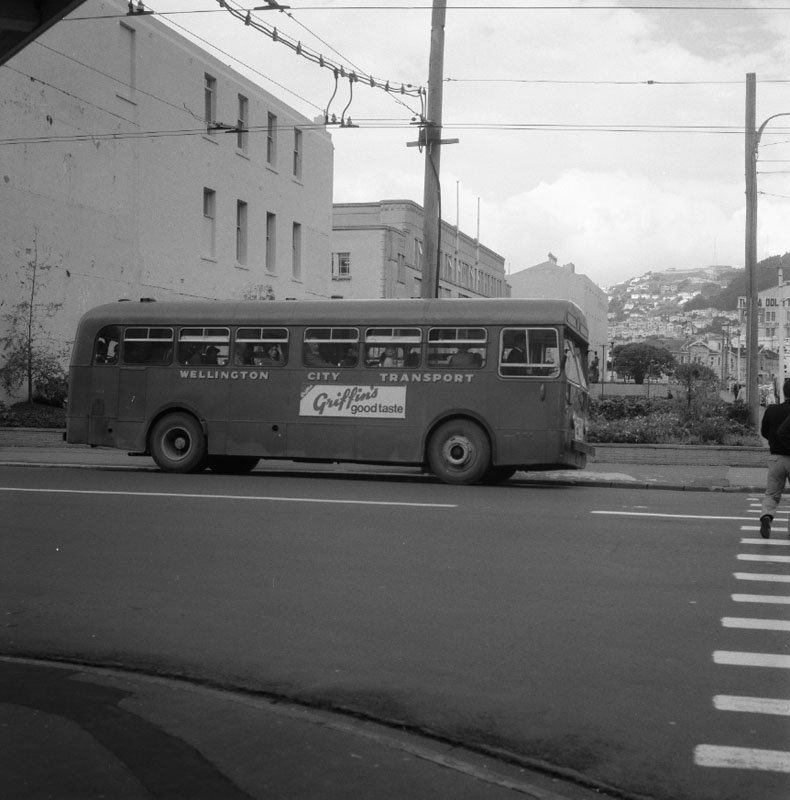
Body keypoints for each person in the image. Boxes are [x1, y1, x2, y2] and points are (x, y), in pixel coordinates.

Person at [758, 377, 790, 539]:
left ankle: (766, 516)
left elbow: (764, 431)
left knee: (772, 493)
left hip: (776, 458)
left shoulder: (772, 410)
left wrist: (773, 440)